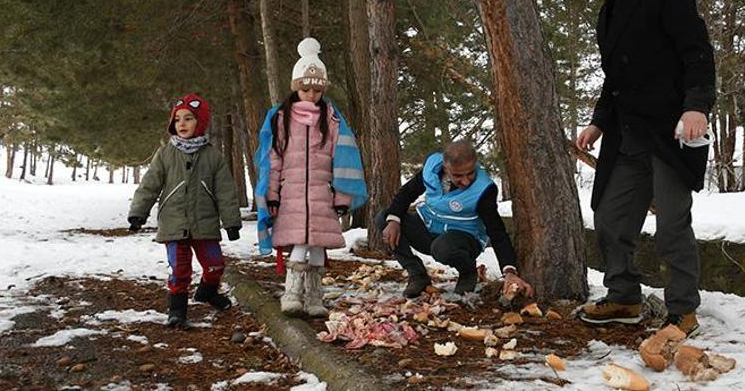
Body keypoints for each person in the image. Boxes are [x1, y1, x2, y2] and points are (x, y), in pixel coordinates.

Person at [574, 0, 717, 336]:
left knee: (672, 223)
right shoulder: (607, 14)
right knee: (610, 217)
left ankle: (683, 311)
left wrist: (696, 106)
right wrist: (599, 122)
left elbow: (697, 51)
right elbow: (613, 79)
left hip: (670, 130)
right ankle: (623, 296)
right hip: (626, 136)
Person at [255, 37, 367, 318]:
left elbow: (342, 159)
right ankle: (292, 293)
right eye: (305, 88)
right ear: (296, 87)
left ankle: (315, 297)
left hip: (321, 195)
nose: (311, 94)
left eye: (317, 90)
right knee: (299, 243)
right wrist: (271, 194)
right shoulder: (282, 118)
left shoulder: (330, 119)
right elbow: (274, 158)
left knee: (317, 245)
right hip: (291, 195)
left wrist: (342, 197)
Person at [128, 93, 242, 328]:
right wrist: (138, 213)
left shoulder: (212, 156)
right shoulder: (165, 154)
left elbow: (225, 191)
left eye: (188, 118)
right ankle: (177, 310)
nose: (182, 123)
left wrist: (231, 221)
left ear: (199, 123)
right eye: (178, 119)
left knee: (215, 265)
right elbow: (149, 185)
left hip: (204, 223)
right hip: (174, 223)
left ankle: (207, 292)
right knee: (179, 269)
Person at [375, 140, 533, 300]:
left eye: (470, 173)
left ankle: (468, 272)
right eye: (458, 175)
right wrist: (394, 221)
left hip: (462, 240)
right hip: (429, 230)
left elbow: (497, 231)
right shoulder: (431, 170)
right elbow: (407, 193)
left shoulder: (484, 189)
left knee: (442, 247)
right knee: (385, 218)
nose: (466, 181)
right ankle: (417, 275)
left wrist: (509, 272)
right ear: (445, 167)